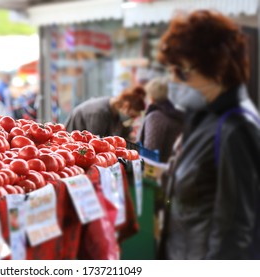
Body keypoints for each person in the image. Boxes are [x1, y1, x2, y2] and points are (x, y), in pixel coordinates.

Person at [157, 10, 260, 259]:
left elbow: (237, 234)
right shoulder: (201, 117)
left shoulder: (236, 128)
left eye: (182, 72)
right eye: (172, 70)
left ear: (218, 67)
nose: (174, 80)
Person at [65, 85, 146, 140]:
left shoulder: (116, 112)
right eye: (132, 115)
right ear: (126, 106)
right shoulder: (99, 113)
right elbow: (96, 144)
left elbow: (126, 135)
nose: (131, 119)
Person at [137, 76, 184, 162]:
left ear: (151, 98)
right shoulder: (174, 113)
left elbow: (150, 151)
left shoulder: (155, 116)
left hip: (160, 170)